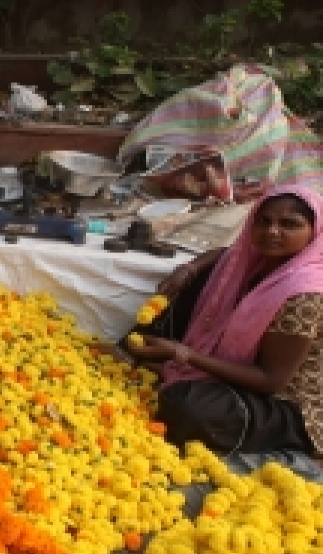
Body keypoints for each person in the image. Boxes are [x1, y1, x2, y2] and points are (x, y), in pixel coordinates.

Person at [126, 185, 323, 459]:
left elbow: (271, 380)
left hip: (284, 403)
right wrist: (188, 269)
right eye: (263, 221)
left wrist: (182, 354)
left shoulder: (306, 294)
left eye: (289, 224)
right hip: (239, 376)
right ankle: (139, 351)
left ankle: (287, 440)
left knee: (186, 408)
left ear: (314, 233)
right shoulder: (256, 260)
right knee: (208, 277)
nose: (272, 232)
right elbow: (223, 254)